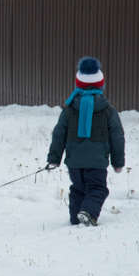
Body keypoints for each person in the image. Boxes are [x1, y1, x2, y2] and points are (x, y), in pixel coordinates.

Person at [47, 56, 125, 226]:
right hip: (97, 162)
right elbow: (117, 137)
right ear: (101, 84)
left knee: (78, 189)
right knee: (97, 189)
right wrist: (118, 162)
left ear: (78, 84)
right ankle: (88, 213)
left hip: (74, 161)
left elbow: (58, 134)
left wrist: (54, 158)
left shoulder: (69, 109)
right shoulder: (108, 111)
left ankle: (76, 219)